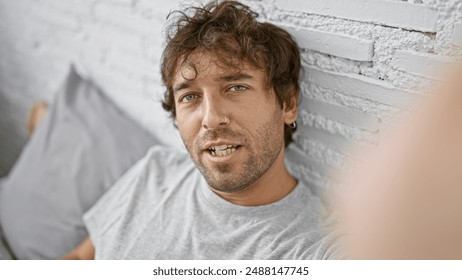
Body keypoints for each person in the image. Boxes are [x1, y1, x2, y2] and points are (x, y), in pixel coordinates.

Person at [63, 0, 335, 259]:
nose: (211, 118)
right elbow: (79, 258)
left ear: (287, 103)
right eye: (190, 96)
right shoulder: (154, 171)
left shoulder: (313, 247)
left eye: (236, 87)